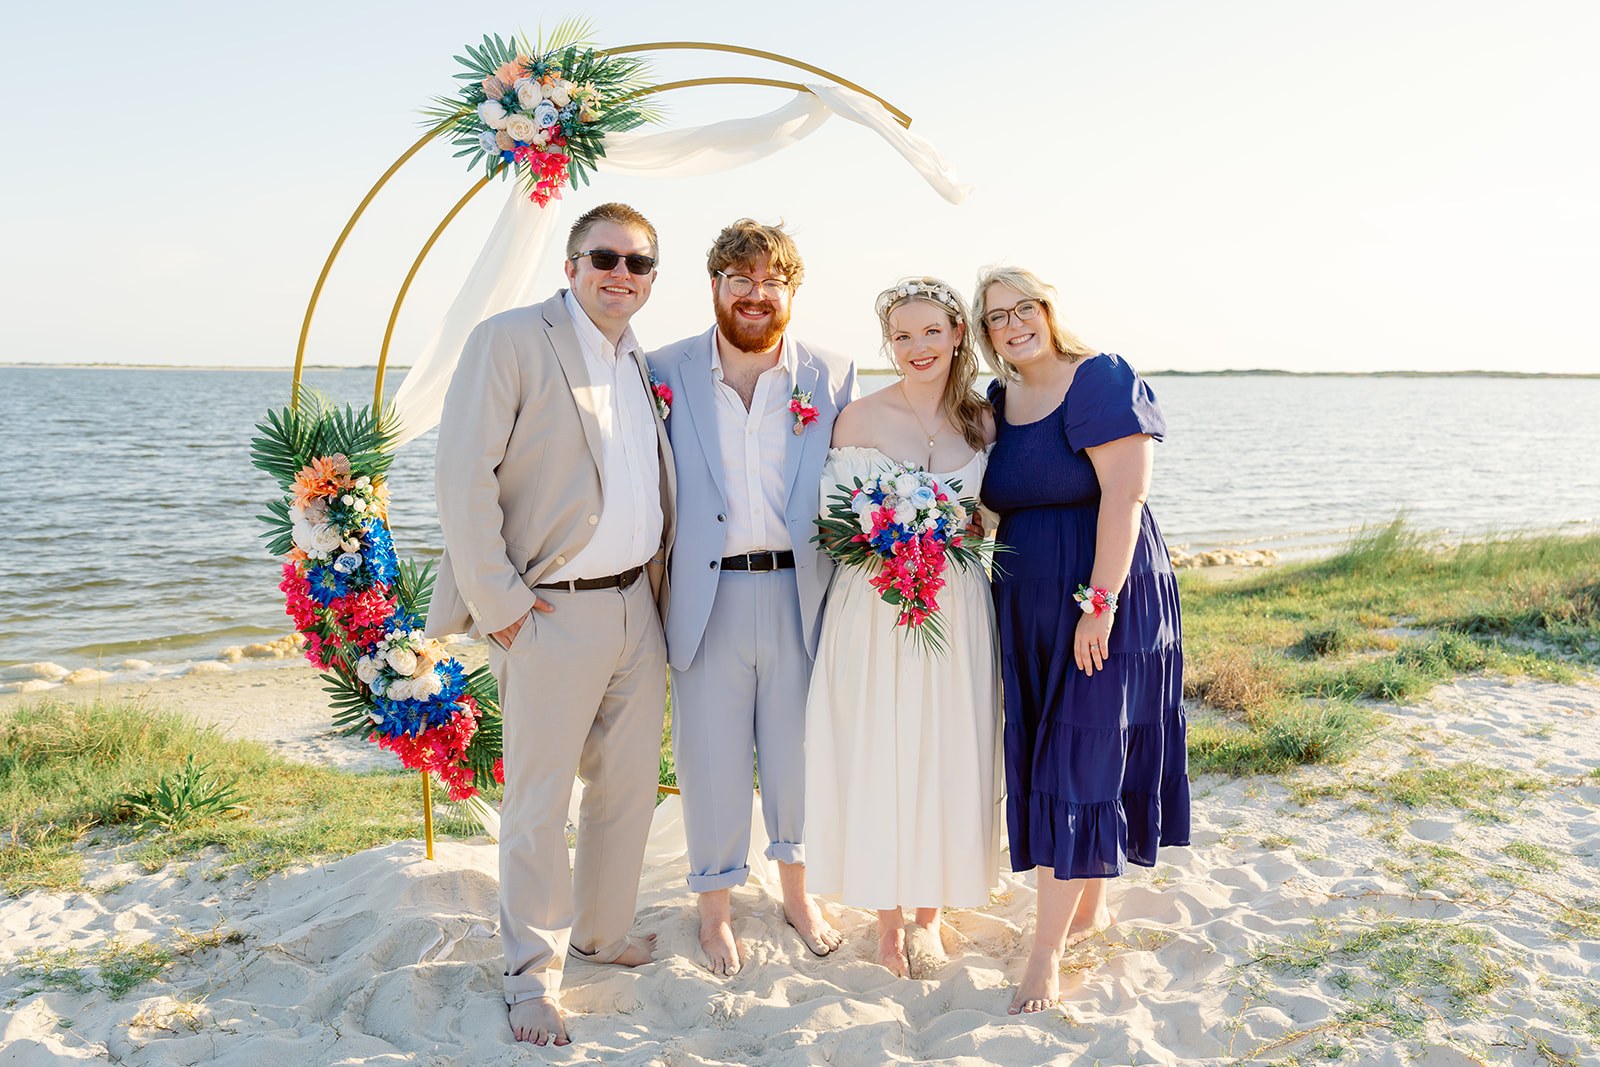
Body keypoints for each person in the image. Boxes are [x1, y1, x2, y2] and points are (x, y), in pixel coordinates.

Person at [425, 203, 675, 1046]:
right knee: (539, 804)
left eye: (638, 263)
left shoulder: (637, 358)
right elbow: (462, 475)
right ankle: (533, 976)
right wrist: (501, 605)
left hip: (636, 605)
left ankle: (600, 933)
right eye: (605, 257)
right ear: (571, 265)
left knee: (627, 787)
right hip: (547, 610)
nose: (621, 274)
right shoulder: (509, 340)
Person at [974, 266, 1191, 1015]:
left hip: (1102, 592)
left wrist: (1099, 606)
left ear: (1048, 310)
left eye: (1023, 308)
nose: (1013, 324)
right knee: (1054, 752)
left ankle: (1045, 953)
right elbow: (994, 506)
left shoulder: (1099, 377)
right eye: (996, 316)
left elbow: (1126, 495)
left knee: (1074, 755)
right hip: (1026, 606)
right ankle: (1087, 903)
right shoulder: (998, 402)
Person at [648, 219, 852, 975]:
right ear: (715, 285)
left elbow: (854, 475)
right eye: (741, 279)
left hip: (802, 593)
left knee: (800, 757)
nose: (756, 294)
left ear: (792, 290)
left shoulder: (833, 375)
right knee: (709, 759)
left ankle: (799, 896)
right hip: (707, 597)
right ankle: (715, 911)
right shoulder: (662, 369)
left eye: (772, 281)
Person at [803, 277, 1002, 979]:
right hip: (876, 605)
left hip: (957, 606)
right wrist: (893, 538)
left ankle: (929, 915)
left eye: (930, 332)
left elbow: (993, 516)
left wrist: (958, 528)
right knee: (881, 747)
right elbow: (833, 527)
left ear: (957, 333)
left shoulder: (984, 423)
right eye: (902, 336)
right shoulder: (858, 419)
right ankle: (888, 923)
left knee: (946, 749)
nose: (917, 347)